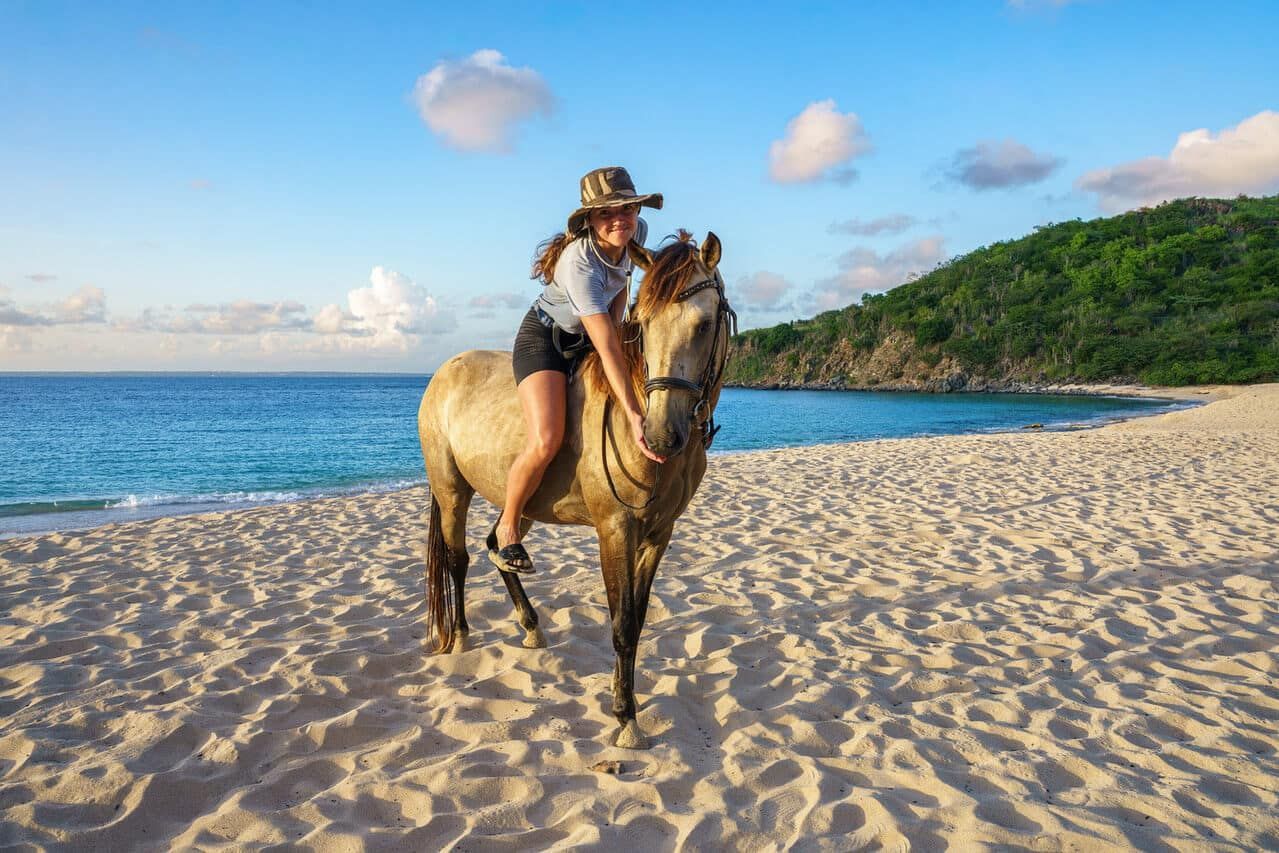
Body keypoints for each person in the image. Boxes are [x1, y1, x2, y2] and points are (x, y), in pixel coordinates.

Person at [492, 166, 666, 575]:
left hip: (594, 331)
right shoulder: (578, 263)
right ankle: (508, 528)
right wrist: (636, 416)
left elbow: (623, 283)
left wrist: (624, 328)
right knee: (547, 438)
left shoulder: (634, 235)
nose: (619, 218)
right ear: (589, 220)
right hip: (547, 340)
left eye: (627, 208)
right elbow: (605, 347)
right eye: (607, 213)